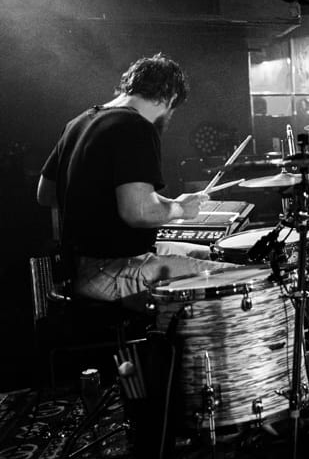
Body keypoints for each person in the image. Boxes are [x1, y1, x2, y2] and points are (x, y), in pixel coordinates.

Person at [37, 53, 234, 310]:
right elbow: (137, 212)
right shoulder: (135, 126)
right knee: (232, 277)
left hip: (82, 268)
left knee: (213, 254)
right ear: (170, 97)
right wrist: (180, 210)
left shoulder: (79, 122)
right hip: (111, 271)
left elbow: (46, 194)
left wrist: (168, 203)